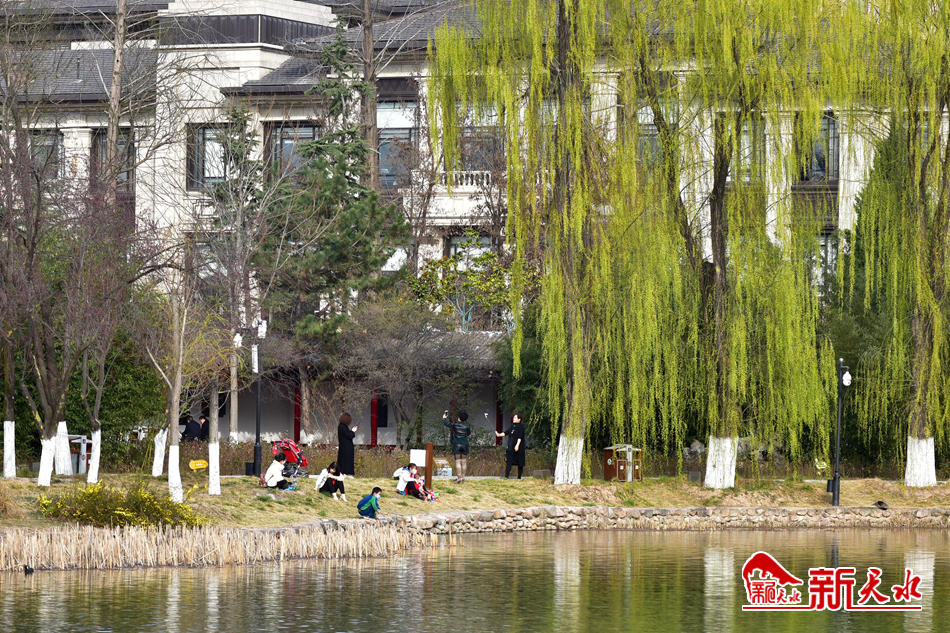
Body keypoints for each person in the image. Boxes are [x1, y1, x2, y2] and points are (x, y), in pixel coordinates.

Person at [443, 409, 472, 483]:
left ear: (459, 418)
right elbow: (468, 433)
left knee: (458, 461)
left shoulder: (455, 425)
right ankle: (463, 477)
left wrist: (445, 418)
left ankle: (459, 478)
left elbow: (447, 424)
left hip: (457, 445)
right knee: (464, 461)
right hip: (465, 445)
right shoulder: (467, 426)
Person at [496, 413, 526, 479]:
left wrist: (517, 445)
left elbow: (520, 437)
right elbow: (505, 433)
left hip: (519, 448)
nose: (513, 419)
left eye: (515, 418)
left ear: (519, 419)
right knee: (509, 461)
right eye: (513, 417)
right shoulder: (512, 427)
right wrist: (499, 434)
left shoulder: (521, 428)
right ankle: (506, 476)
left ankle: (519, 477)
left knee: (520, 462)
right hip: (510, 447)